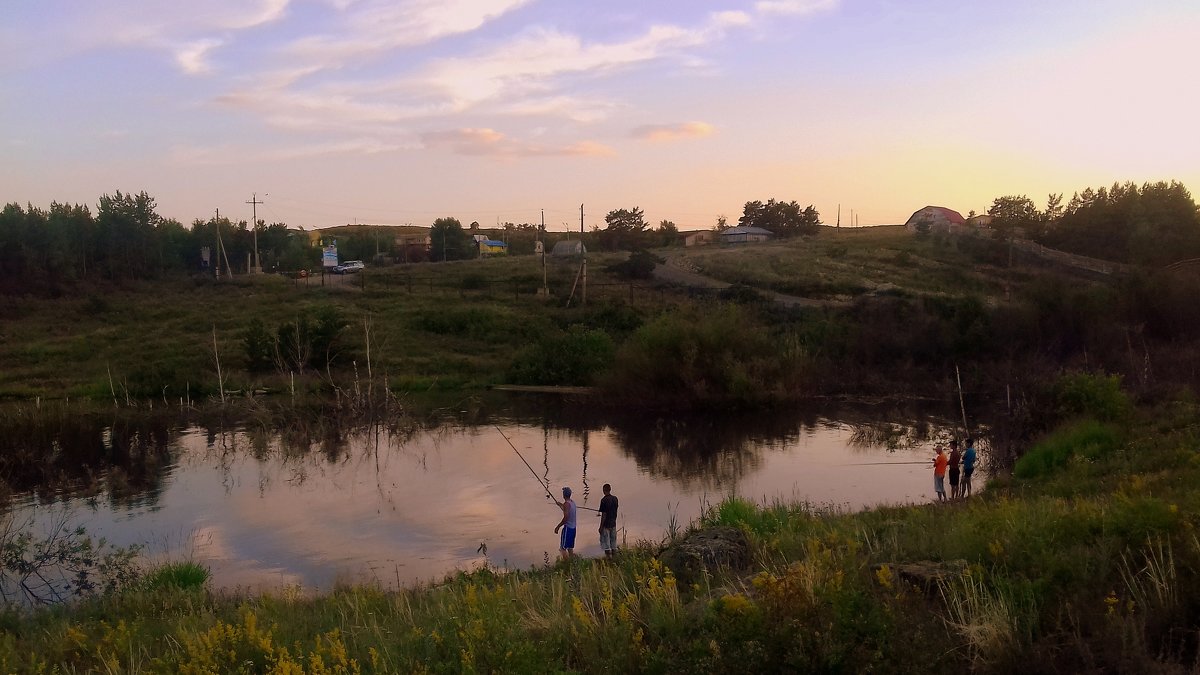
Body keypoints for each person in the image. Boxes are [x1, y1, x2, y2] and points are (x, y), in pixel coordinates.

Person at [553, 486, 577, 560]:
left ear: (563, 495)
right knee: (570, 548)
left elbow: (566, 518)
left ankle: (566, 564)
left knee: (562, 548)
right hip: (573, 528)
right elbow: (566, 509)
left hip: (568, 529)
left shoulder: (566, 504)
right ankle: (572, 563)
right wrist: (560, 505)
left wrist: (558, 526)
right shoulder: (572, 502)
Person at [597, 483, 619, 558]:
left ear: (603, 490)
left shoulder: (603, 500)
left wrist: (601, 527)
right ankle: (615, 559)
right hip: (613, 523)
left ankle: (608, 560)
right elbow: (615, 510)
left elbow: (604, 515)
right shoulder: (615, 499)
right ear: (610, 489)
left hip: (606, 525)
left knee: (606, 545)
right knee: (613, 544)